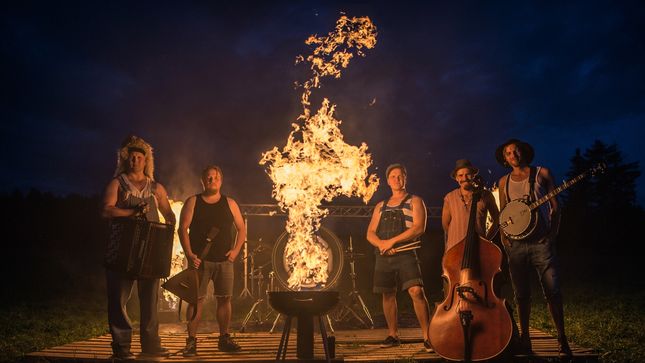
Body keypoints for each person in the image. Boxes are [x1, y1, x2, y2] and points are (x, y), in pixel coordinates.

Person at [496, 139, 572, 357]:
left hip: (541, 244)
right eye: (508, 153)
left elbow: (556, 208)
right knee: (521, 295)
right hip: (516, 246)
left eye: (515, 150)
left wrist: (551, 235)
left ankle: (562, 339)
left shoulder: (542, 173)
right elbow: (503, 213)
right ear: (505, 159)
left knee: (553, 292)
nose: (513, 155)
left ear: (524, 152)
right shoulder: (503, 181)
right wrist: (504, 238)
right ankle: (525, 340)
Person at [102, 135, 176, 360]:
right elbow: (107, 210)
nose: (135, 160)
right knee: (118, 300)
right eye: (131, 157)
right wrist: (131, 213)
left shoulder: (156, 188)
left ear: (146, 161)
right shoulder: (118, 184)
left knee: (150, 302)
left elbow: (168, 214)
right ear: (126, 160)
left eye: (139, 157)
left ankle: (151, 345)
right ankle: (122, 347)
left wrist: (170, 228)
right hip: (122, 250)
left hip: (149, 253)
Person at [178, 165, 246, 356]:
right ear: (202, 180)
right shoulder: (193, 202)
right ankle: (191, 342)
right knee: (195, 301)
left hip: (224, 261)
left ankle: (224, 339)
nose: (212, 180)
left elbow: (241, 229)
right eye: (208, 178)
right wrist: (190, 254)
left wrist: (235, 251)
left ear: (221, 180)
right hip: (200, 261)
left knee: (225, 299)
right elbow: (182, 229)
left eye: (215, 177)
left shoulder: (230, 203)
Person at [366, 163, 432, 352]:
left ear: (405, 178)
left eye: (400, 176)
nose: (397, 179)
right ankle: (393, 335)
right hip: (384, 255)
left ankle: (428, 336)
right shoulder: (381, 206)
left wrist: (392, 242)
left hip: (406, 254)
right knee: (388, 294)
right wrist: (382, 245)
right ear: (388, 181)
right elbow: (370, 233)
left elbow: (419, 228)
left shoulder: (415, 201)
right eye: (393, 176)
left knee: (416, 291)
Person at [441, 159, 499, 253]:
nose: (464, 178)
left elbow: (497, 220)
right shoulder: (449, 197)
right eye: (460, 175)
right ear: (456, 178)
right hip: (455, 250)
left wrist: (486, 240)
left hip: (478, 249)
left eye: (467, 174)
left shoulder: (486, 195)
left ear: (473, 175)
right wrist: (457, 238)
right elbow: (445, 225)